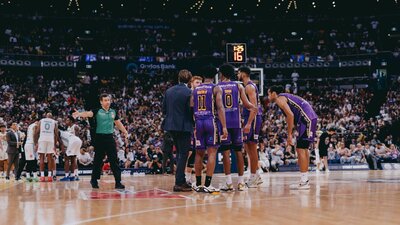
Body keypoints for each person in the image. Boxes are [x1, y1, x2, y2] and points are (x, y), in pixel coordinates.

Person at [73, 94, 128, 189]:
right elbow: (88, 113)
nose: (107, 102)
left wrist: (125, 132)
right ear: (101, 102)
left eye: (108, 100)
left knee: (114, 160)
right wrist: (79, 114)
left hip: (110, 138)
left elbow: (118, 123)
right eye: (105, 100)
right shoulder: (97, 111)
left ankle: (118, 182)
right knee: (98, 161)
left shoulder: (113, 112)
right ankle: (93, 180)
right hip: (99, 138)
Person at [267, 85, 318, 190]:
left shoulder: (279, 99)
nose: (267, 96)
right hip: (309, 117)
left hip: (306, 118)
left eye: (268, 93)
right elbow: (291, 117)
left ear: (273, 93)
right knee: (304, 148)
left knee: (300, 148)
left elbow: (290, 115)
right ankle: (304, 179)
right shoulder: (286, 97)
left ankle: (304, 181)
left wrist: (289, 135)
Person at [217, 64, 257, 192]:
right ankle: (240, 182)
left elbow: (217, 106)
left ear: (222, 74)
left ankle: (228, 182)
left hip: (224, 123)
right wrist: (254, 107)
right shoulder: (238, 86)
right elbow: (247, 104)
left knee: (226, 152)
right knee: (239, 151)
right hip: (236, 123)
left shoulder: (217, 87)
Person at [191, 65, 228, 193]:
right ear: (214, 76)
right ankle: (207, 184)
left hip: (198, 122)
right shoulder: (215, 88)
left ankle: (197, 184)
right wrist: (224, 126)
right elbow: (220, 108)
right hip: (210, 121)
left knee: (199, 153)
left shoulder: (195, 89)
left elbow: (191, 105)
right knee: (212, 152)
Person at [162, 69, 194, 192]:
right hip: (184, 126)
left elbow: (164, 109)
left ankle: (180, 179)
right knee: (183, 154)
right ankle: (179, 182)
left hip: (170, 126)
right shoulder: (189, 92)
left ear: (179, 79)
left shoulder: (169, 91)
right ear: (190, 80)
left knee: (179, 153)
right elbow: (190, 110)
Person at [237, 66, 264, 188]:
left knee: (252, 148)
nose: (237, 75)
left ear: (243, 74)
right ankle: (256, 175)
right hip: (251, 118)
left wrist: (248, 123)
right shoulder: (247, 86)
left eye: (238, 73)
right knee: (248, 148)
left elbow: (254, 107)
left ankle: (253, 177)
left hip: (252, 119)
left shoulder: (249, 87)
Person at [185, 75, 203, 184]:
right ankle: (185, 176)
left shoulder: (201, 95)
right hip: (189, 126)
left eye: (200, 83)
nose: (199, 85)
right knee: (189, 152)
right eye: (197, 82)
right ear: (191, 83)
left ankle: (189, 176)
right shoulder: (189, 94)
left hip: (198, 125)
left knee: (196, 151)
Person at [34, 113, 59, 182]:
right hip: (50, 140)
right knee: (50, 158)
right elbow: (56, 134)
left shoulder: (41, 121)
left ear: (46, 116)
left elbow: (37, 132)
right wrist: (54, 144)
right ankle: (50, 176)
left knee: (41, 157)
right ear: (51, 117)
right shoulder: (54, 122)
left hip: (42, 139)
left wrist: (36, 143)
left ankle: (42, 176)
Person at [66, 116, 80, 180]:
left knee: (73, 159)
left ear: (71, 121)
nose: (66, 121)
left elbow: (77, 137)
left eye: (68, 120)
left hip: (74, 144)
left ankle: (75, 175)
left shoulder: (75, 126)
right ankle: (75, 174)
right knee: (73, 160)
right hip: (70, 144)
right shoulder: (68, 127)